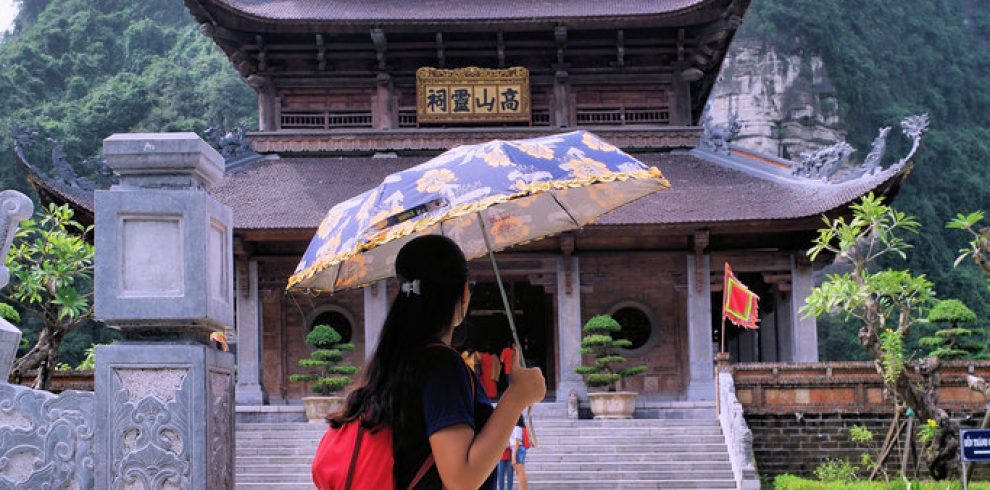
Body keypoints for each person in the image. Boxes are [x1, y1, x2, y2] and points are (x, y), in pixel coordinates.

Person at [330, 235, 546, 489]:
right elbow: (460, 479)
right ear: (464, 292)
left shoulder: (392, 362)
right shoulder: (441, 366)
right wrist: (516, 397)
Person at [511, 417, 529, 490]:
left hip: (518, 450)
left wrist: (513, 456)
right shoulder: (517, 427)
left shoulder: (517, 427)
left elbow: (517, 442)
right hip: (518, 449)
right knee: (519, 473)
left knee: (520, 473)